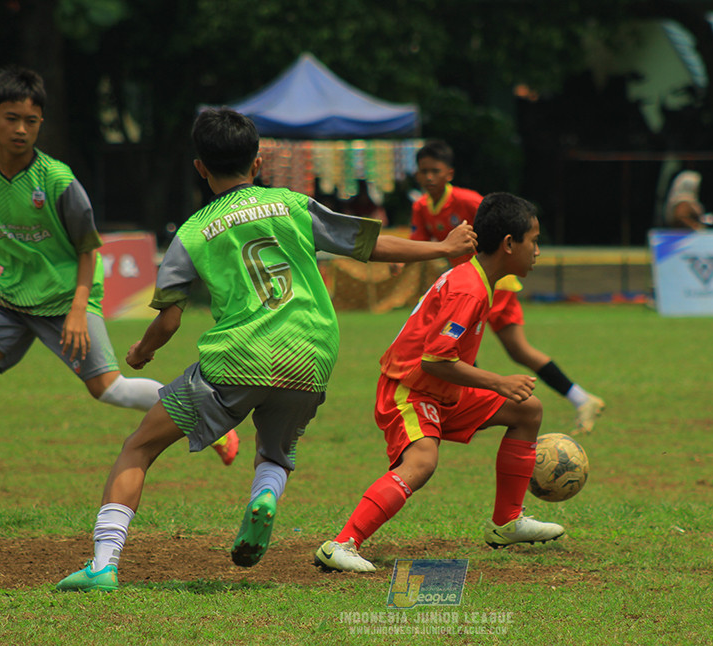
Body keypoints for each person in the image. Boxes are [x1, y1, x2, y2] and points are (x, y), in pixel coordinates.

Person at [55, 108, 477, 592]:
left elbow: (169, 319)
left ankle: (104, 563)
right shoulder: (292, 204)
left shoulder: (191, 233)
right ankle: (265, 497)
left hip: (238, 356)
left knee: (139, 446)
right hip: (312, 352)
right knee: (276, 451)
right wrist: (442, 248)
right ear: (257, 164)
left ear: (200, 168)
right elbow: (366, 245)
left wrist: (142, 353)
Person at [0, 66, 238, 513]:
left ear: (41, 123)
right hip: (9, 294)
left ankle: (199, 412)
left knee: (109, 390)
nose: (21, 129)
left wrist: (78, 310)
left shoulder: (58, 181)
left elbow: (87, 251)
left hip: (65, 296)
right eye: (11, 118)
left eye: (31, 121)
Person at [315, 192, 565, 573]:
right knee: (422, 462)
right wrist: (498, 381)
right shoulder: (470, 287)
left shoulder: (479, 280)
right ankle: (341, 543)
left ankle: (507, 523)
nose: (538, 251)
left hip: (441, 389)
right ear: (510, 244)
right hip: (410, 388)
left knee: (526, 410)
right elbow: (435, 360)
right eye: (534, 241)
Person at [403, 140, 604, 434]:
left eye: (435, 170)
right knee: (512, 350)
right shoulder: (421, 206)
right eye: (423, 172)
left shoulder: (468, 200)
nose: (429, 177)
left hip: (493, 284)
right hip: (467, 285)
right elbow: (418, 240)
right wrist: (399, 262)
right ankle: (581, 398)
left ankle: (463, 405)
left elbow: (503, 220)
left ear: (449, 173)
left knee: (464, 345)